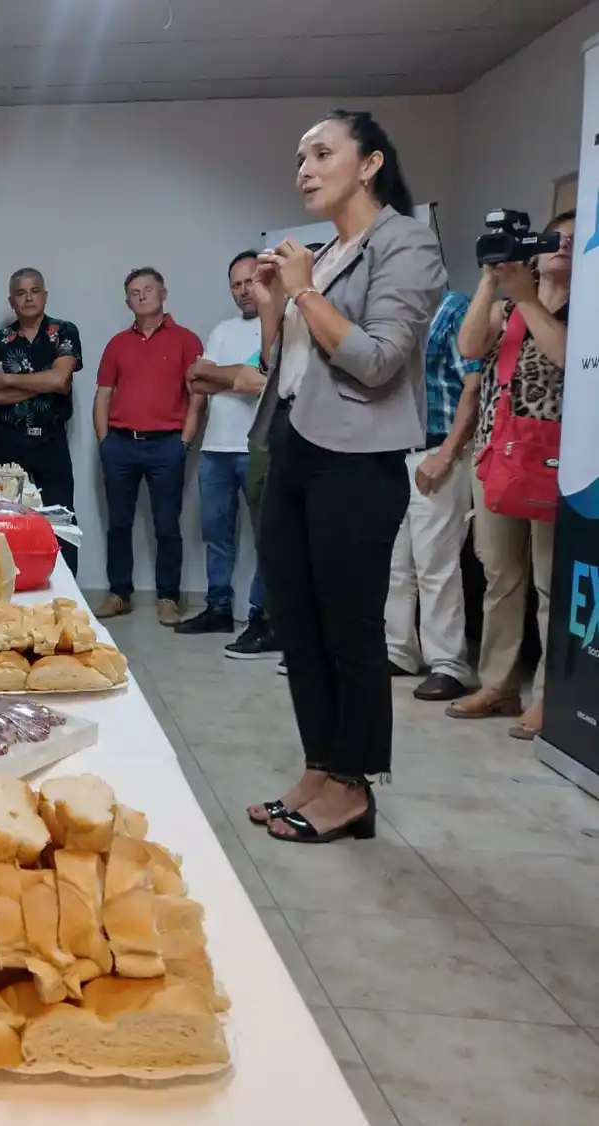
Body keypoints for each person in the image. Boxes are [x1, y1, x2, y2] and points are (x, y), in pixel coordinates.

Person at [243, 109, 445, 844]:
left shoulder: (408, 243)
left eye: (322, 153)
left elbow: (379, 360)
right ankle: (320, 767)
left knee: (350, 629)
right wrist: (275, 305)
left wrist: (301, 293)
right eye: (299, 156)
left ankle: (354, 786)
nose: (304, 168)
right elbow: (284, 367)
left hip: (357, 461)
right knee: (296, 622)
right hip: (295, 446)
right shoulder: (327, 253)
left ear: (369, 164)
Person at [447, 211, 573, 738]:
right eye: (552, 239)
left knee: (551, 583)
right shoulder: (505, 302)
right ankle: (498, 684)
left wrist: (526, 297)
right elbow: (469, 347)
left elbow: (566, 354)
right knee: (500, 575)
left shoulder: (584, 308)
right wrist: (489, 274)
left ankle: (550, 697)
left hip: (558, 461)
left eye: (571, 240)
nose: (560, 247)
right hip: (498, 455)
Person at [385, 289, 483, 702]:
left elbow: (473, 385)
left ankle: (448, 665)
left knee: (435, 565)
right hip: (391, 453)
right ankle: (398, 651)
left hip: (437, 450)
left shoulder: (453, 308)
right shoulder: (388, 316)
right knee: (394, 564)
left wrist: (445, 456)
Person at [94, 267, 204, 625]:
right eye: (134, 292)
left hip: (166, 447)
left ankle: (168, 597)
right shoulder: (117, 344)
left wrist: (184, 443)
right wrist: (104, 442)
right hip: (121, 446)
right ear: (127, 300)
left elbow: (198, 397)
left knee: (167, 525)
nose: (141, 296)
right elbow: (103, 395)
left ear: (163, 293)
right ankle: (119, 593)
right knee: (119, 524)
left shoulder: (187, 340)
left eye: (148, 289)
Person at [178, 251, 271, 638]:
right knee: (216, 535)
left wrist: (217, 374)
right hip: (215, 449)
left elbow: (259, 382)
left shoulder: (274, 326)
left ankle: (261, 616)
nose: (243, 290)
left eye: (249, 281)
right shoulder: (221, 330)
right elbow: (195, 381)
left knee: (267, 537)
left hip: (257, 448)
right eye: (236, 284)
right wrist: (232, 376)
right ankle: (217, 607)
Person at [0, 268, 82, 573]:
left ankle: (66, 593)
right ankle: (14, 587)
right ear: (11, 300)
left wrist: (10, 380)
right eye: (21, 292)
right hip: (8, 443)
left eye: (34, 291)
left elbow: (60, 379)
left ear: (45, 295)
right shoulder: (0, 338)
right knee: (7, 519)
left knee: (60, 519)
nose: (28, 298)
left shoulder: (64, 331)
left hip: (50, 441)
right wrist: (45, 383)